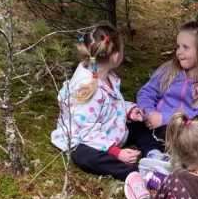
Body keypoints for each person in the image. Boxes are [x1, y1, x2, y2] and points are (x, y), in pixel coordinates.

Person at [51, 24, 144, 181]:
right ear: (115, 56)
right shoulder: (87, 88)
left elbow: (111, 105)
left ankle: (154, 153)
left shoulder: (106, 77)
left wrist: (129, 110)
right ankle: (132, 173)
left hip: (109, 129)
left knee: (144, 125)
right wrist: (116, 153)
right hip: (84, 139)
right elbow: (86, 131)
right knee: (84, 156)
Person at [133, 14, 198, 167]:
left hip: (185, 129)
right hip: (155, 125)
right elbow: (147, 92)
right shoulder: (169, 70)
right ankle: (154, 155)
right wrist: (149, 113)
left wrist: (166, 118)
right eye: (178, 46)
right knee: (137, 127)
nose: (178, 52)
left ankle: (177, 158)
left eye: (185, 47)